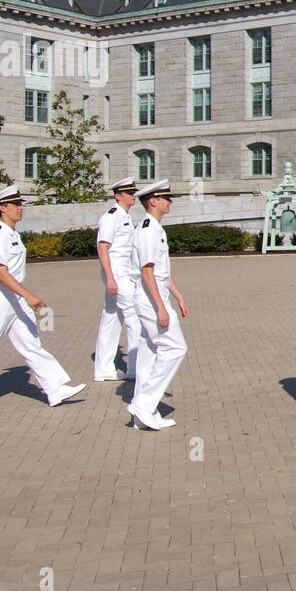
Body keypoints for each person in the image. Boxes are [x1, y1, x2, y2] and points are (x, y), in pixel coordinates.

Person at [0, 186, 87, 415]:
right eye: (16, 205)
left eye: (21, 204)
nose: (21, 208)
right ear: (3, 207)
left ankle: (55, 388)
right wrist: (28, 295)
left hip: (14, 298)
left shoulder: (13, 234)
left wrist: (22, 296)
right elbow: (1, 273)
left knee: (31, 344)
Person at [128, 179, 188, 431]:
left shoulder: (155, 228)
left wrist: (178, 296)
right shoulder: (148, 230)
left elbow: (162, 271)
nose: (170, 201)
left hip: (156, 294)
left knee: (149, 354)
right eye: (166, 198)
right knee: (175, 348)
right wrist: (162, 308)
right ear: (153, 201)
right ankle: (143, 405)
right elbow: (147, 271)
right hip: (151, 298)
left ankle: (142, 415)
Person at [92, 177, 142, 382]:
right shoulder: (111, 217)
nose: (133, 196)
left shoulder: (125, 216)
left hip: (122, 271)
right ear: (118, 195)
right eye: (129, 193)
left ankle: (103, 368)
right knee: (133, 316)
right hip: (116, 272)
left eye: (134, 192)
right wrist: (111, 279)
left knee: (111, 319)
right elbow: (103, 247)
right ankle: (136, 368)